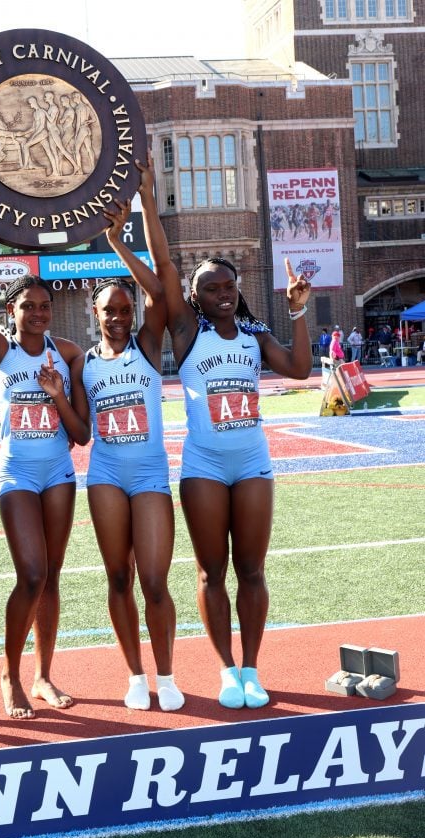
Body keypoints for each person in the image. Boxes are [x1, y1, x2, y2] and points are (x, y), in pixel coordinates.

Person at [147, 179, 312, 709]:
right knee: (210, 572)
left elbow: (300, 369)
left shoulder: (254, 334)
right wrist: (148, 201)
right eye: (212, 288)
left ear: (238, 290)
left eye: (229, 287)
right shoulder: (185, 331)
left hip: (252, 462)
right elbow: (165, 266)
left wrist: (298, 311)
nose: (223, 294)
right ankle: (225, 669)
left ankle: (251, 668)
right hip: (204, 465)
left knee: (253, 570)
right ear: (195, 296)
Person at [0, 190, 90, 719]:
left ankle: (44, 674)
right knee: (30, 573)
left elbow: (81, 434)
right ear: (12, 311)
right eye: (28, 306)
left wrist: (57, 395)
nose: (38, 313)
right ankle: (9, 673)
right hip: (16, 473)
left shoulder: (68, 353)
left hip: (59, 471)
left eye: (45, 306)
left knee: (52, 575)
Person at [77, 176, 184, 712]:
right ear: (94, 314)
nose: (118, 318)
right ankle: (135, 676)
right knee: (118, 577)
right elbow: (79, 428)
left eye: (124, 310)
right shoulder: (83, 364)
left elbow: (161, 291)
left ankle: (167, 674)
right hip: (104, 476)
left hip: (149, 475)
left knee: (155, 581)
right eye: (109, 311)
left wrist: (119, 241)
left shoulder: (146, 345)